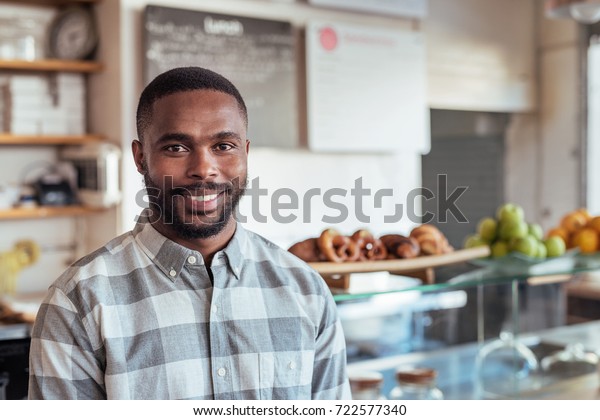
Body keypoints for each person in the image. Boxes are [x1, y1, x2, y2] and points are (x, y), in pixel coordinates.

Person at [28, 67, 351, 400]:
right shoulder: (77, 303)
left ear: (245, 153)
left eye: (224, 145)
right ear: (141, 158)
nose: (204, 169)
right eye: (176, 148)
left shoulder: (305, 290)